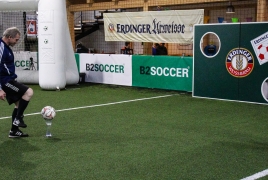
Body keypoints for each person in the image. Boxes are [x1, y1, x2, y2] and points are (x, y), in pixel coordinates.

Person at [0, 27, 34, 138]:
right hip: (5, 81)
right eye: (16, 39)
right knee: (28, 92)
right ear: (9, 37)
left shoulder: (6, 47)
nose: (17, 42)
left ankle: (14, 131)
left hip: (9, 80)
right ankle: (18, 119)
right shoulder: (1, 47)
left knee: (19, 104)